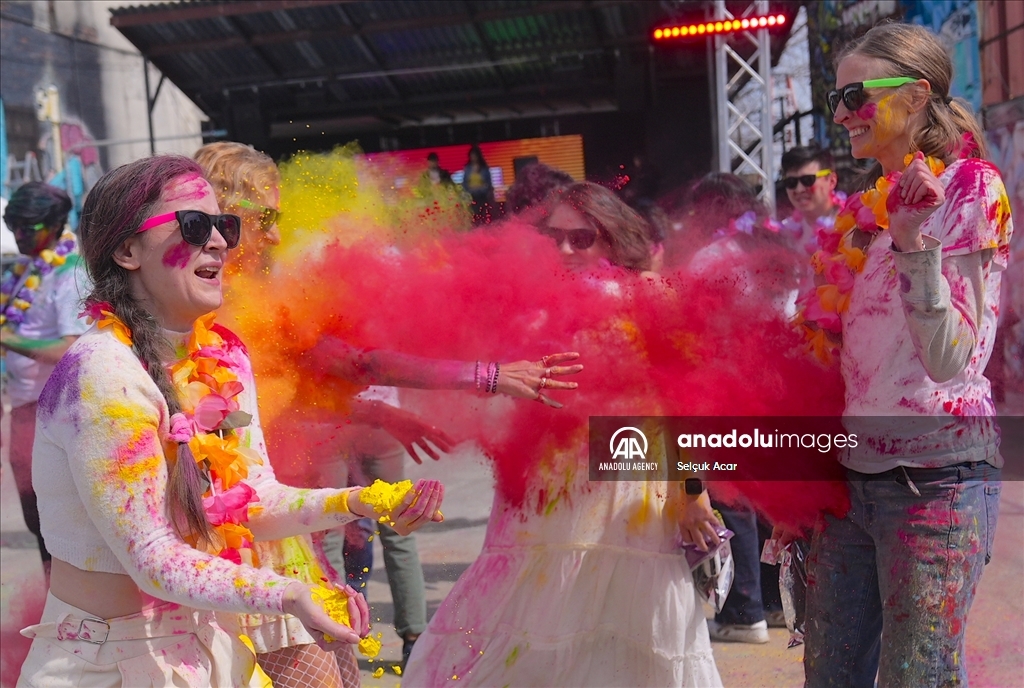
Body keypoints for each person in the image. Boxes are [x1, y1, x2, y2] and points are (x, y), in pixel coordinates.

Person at [18, 155, 446, 687]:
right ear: (127, 251)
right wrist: (289, 593)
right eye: (195, 225)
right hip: (107, 665)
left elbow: (253, 497)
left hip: (203, 645)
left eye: (225, 225)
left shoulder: (223, 354)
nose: (219, 242)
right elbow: (152, 557)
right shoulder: (100, 373)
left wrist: (365, 501)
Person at [196, 141, 583, 678]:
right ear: (214, 219)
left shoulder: (262, 299)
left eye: (277, 219)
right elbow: (354, 366)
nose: (278, 236)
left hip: (271, 533)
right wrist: (486, 376)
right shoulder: (184, 308)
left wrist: (393, 412)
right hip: (209, 547)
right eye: (262, 220)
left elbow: (343, 368)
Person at [402, 182, 723, 687]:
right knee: (525, 633)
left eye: (583, 238)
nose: (566, 251)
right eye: (554, 238)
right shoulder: (526, 305)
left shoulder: (651, 297)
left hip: (628, 492)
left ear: (614, 239)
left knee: (629, 639)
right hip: (539, 500)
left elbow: (687, 407)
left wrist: (693, 494)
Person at [790, 22, 1012, 687]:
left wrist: (917, 244)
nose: (840, 113)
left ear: (915, 97)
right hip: (851, 480)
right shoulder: (862, 212)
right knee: (829, 677)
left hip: (936, 477)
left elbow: (954, 362)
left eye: (854, 93)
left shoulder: (972, 189)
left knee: (919, 677)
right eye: (835, 97)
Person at [0, 182, 91, 576]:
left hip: (57, 411)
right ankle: (54, 612)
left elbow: (69, 348)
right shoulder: (26, 270)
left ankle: (77, 613)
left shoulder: (70, 274)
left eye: (28, 227)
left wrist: (6, 337)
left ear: (54, 226)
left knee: (64, 522)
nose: (19, 235)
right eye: (13, 225)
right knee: (36, 520)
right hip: (23, 412)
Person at [779, 146, 843, 257]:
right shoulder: (784, 233)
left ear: (832, 181)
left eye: (808, 180)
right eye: (791, 182)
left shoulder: (852, 225)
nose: (799, 189)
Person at [461, 145, 495, 224]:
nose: (473, 158)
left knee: (483, 216)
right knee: (473, 217)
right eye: (472, 156)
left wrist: (481, 189)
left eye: (475, 156)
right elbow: (465, 183)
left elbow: (489, 183)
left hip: (482, 196)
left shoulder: (484, 168)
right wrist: (469, 191)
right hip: (471, 197)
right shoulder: (467, 168)